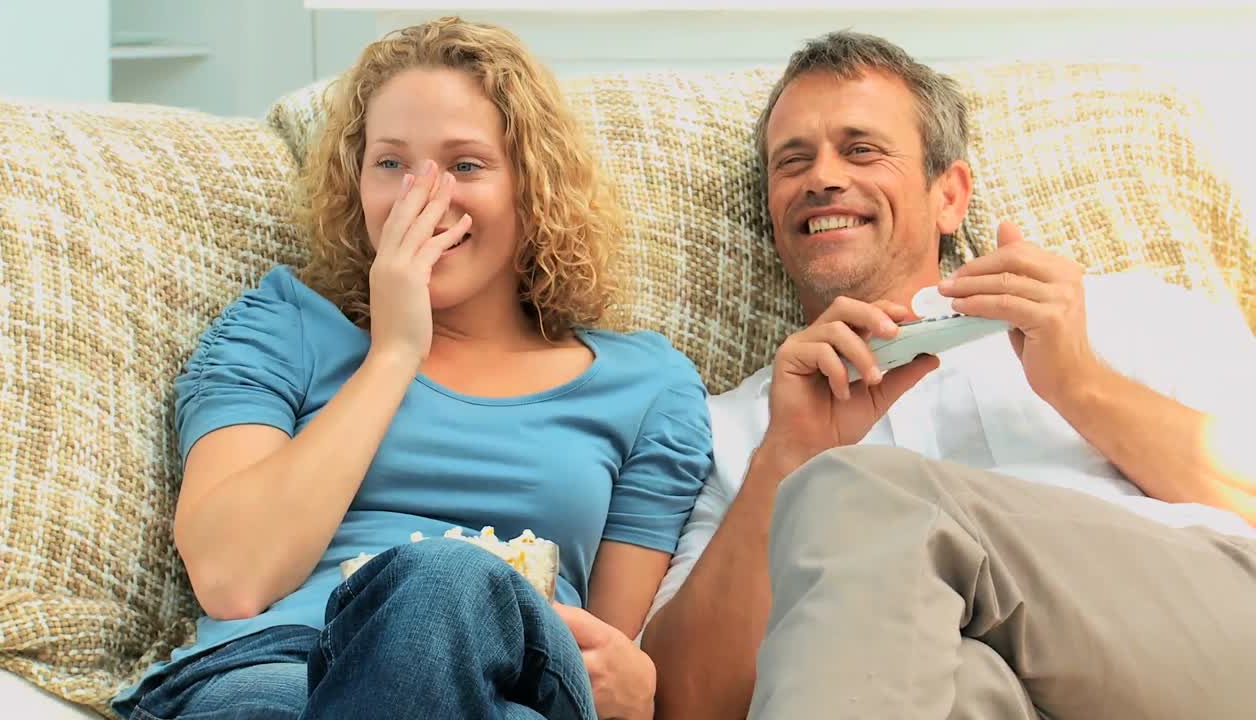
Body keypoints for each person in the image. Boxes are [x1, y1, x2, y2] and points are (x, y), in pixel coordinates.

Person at [640, 30, 1256, 720]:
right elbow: (680, 705)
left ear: (950, 195)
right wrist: (788, 456)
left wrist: (1082, 384)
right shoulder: (738, 429)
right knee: (945, 676)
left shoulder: (1122, 310)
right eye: (792, 162)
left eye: (861, 149)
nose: (822, 177)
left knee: (857, 493)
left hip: (1207, 649)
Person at [111, 17, 713, 720]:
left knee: (454, 583)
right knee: (430, 584)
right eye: (392, 163)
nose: (422, 197)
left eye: (465, 165)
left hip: (508, 692)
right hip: (277, 675)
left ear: (533, 187)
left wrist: (635, 688)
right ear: (356, 183)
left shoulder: (647, 388)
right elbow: (231, 578)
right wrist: (395, 351)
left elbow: (601, 651)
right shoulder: (282, 327)